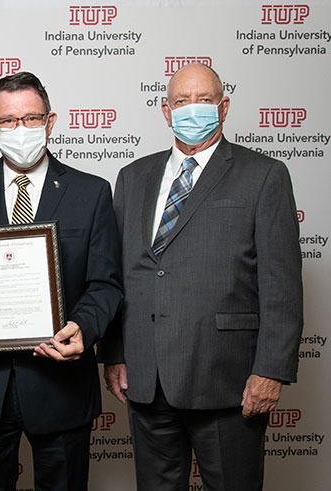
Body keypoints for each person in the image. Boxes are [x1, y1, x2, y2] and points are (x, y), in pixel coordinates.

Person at [99, 63, 303, 490]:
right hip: (148, 378)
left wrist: (270, 370)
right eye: (182, 101)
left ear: (224, 107)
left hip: (227, 380)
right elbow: (120, 275)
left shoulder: (264, 175)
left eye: (205, 100)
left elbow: (281, 285)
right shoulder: (133, 177)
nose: (193, 109)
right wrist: (115, 353)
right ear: (165, 110)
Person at [0, 71, 123, 490]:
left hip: (63, 386)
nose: (21, 130)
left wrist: (84, 328)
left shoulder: (91, 193)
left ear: (50, 122)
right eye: (9, 122)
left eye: (32, 119)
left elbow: (106, 284)